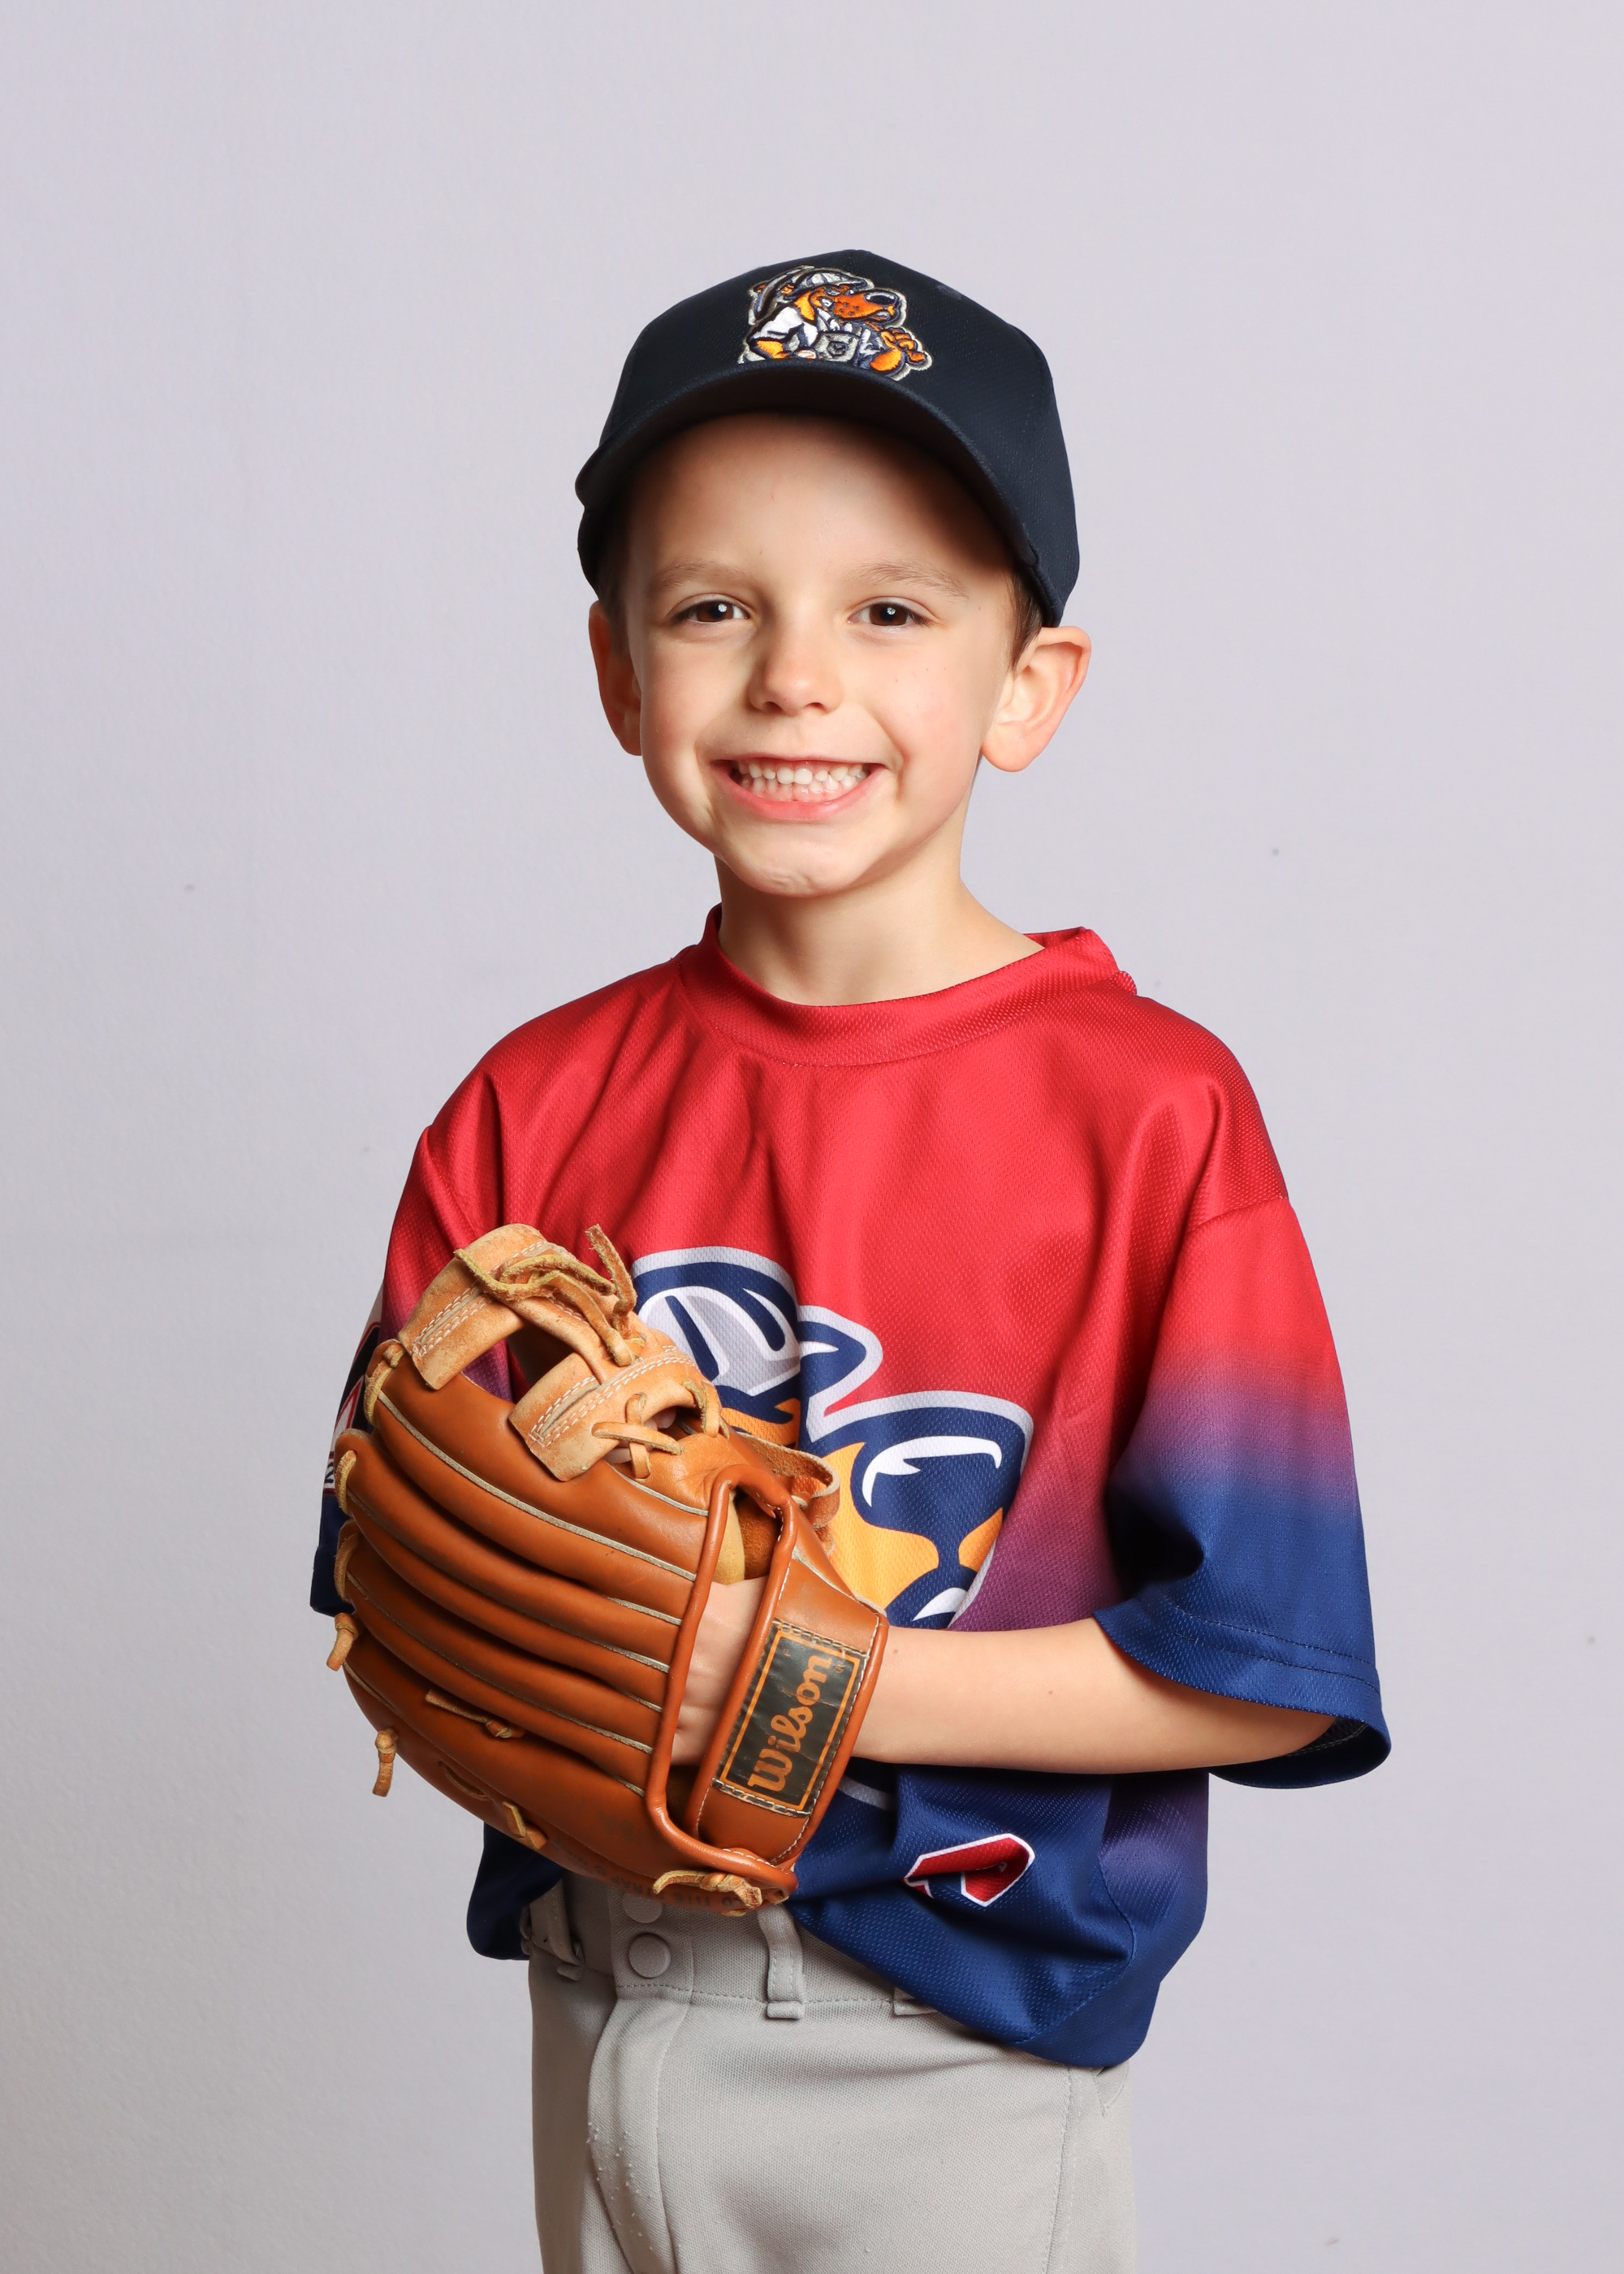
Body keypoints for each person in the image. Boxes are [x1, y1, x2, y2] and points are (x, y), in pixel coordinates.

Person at [313, 250, 1388, 2274]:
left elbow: (1258, 1666)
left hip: (946, 2045)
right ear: (618, 672)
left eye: (889, 609)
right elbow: (404, 1567)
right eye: (713, 606)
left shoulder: (1149, 1114)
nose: (794, 675)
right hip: (600, 1984)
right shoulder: (526, 1107)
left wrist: (796, 1676)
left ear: (1026, 683)